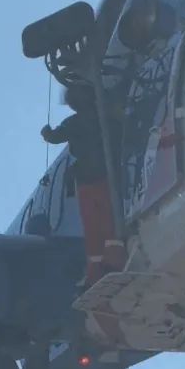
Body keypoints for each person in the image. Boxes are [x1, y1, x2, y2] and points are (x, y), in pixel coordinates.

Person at [41, 83, 126, 285]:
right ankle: (115, 260)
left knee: (92, 225)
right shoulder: (105, 118)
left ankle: (95, 271)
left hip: (86, 179)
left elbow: (54, 137)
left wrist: (46, 132)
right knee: (108, 220)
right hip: (106, 175)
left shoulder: (73, 123)